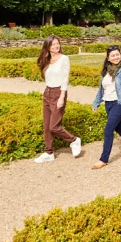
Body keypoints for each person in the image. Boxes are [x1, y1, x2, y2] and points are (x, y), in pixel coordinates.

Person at [34, 35, 81, 163]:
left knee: (54, 126)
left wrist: (61, 97)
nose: (56, 46)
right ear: (48, 47)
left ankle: (74, 140)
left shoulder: (64, 58)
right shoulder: (47, 60)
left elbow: (65, 79)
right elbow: (46, 77)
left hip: (58, 92)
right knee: (46, 126)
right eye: (53, 44)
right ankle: (49, 152)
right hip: (47, 92)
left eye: (57, 43)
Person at [91, 45, 121, 169]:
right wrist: (96, 103)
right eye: (113, 55)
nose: (116, 57)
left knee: (108, 130)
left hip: (120, 102)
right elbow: (101, 90)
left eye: (118, 54)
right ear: (108, 58)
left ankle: (104, 159)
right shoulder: (105, 71)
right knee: (118, 127)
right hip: (108, 103)